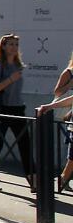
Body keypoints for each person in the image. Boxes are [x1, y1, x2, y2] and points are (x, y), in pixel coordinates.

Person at [0, 33, 31, 192]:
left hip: (18, 108)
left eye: (16, 44)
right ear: (3, 46)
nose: (14, 47)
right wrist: (10, 79)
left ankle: (33, 177)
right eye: (11, 44)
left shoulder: (18, 65)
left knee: (25, 143)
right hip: (2, 109)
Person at [37, 56, 73, 194]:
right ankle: (62, 180)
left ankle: (63, 179)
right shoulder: (69, 72)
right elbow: (69, 99)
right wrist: (50, 106)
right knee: (72, 158)